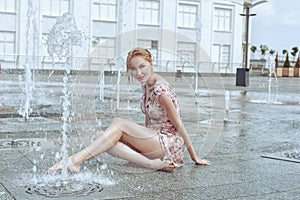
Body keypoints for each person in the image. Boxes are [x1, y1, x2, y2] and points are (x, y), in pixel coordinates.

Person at [47, 47, 210, 173]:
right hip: (153, 140)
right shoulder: (148, 85)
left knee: (119, 124)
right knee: (99, 137)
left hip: (168, 146)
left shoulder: (161, 92)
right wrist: (140, 141)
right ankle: (151, 163)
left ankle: (75, 160)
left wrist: (194, 157)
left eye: (142, 66)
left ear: (151, 63)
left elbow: (179, 125)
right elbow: (149, 120)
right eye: (133, 69)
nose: (138, 73)